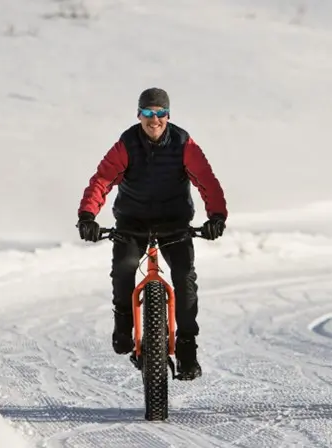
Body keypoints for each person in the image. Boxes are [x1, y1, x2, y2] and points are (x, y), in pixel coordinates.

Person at [76, 87, 228, 380]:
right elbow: (102, 180)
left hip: (175, 222)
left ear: (168, 116)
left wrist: (217, 216)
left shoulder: (184, 144)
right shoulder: (126, 144)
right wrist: (87, 215)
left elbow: (206, 180)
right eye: (147, 113)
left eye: (160, 113)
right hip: (133, 222)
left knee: (184, 277)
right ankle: (123, 325)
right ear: (139, 115)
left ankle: (186, 348)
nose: (154, 119)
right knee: (123, 268)